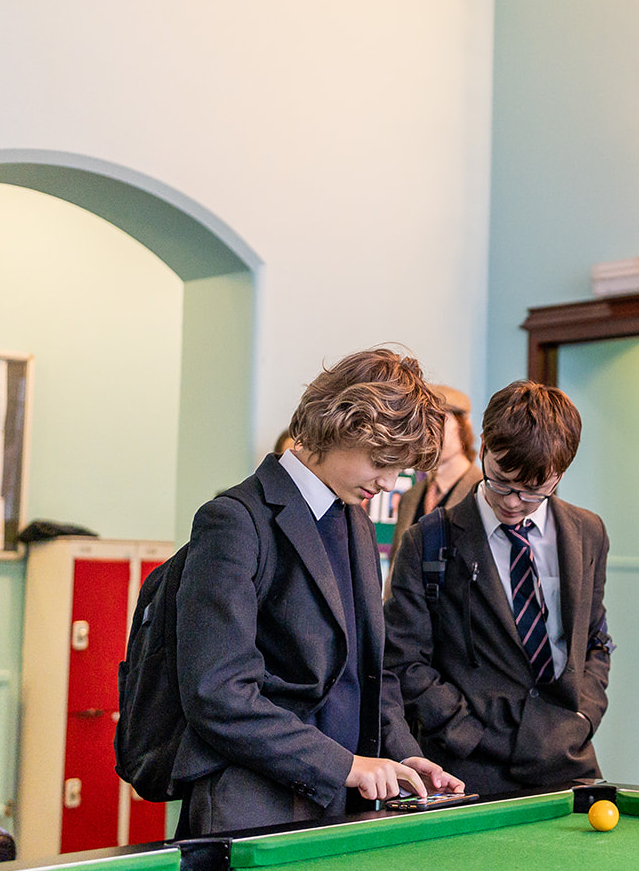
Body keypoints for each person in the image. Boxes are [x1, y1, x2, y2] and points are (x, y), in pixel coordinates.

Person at [173, 348, 463, 836]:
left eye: (401, 469)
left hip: (339, 804)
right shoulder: (235, 520)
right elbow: (217, 693)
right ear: (341, 425)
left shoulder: (357, 523)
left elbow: (370, 671)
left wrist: (402, 751)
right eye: (381, 462)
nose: (390, 483)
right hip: (252, 807)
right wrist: (344, 765)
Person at [385, 380, 615, 796]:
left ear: (560, 473)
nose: (512, 502)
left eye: (533, 491)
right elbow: (404, 662)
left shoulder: (588, 532)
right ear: (485, 447)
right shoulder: (429, 538)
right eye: (501, 482)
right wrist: (467, 733)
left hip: (568, 759)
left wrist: (585, 716)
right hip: (466, 768)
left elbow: (595, 639)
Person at [382, 384, 483, 598]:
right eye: (422, 422)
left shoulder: (482, 492)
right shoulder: (411, 497)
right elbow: (396, 567)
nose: (429, 432)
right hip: (405, 621)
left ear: (463, 425)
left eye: (439, 420)